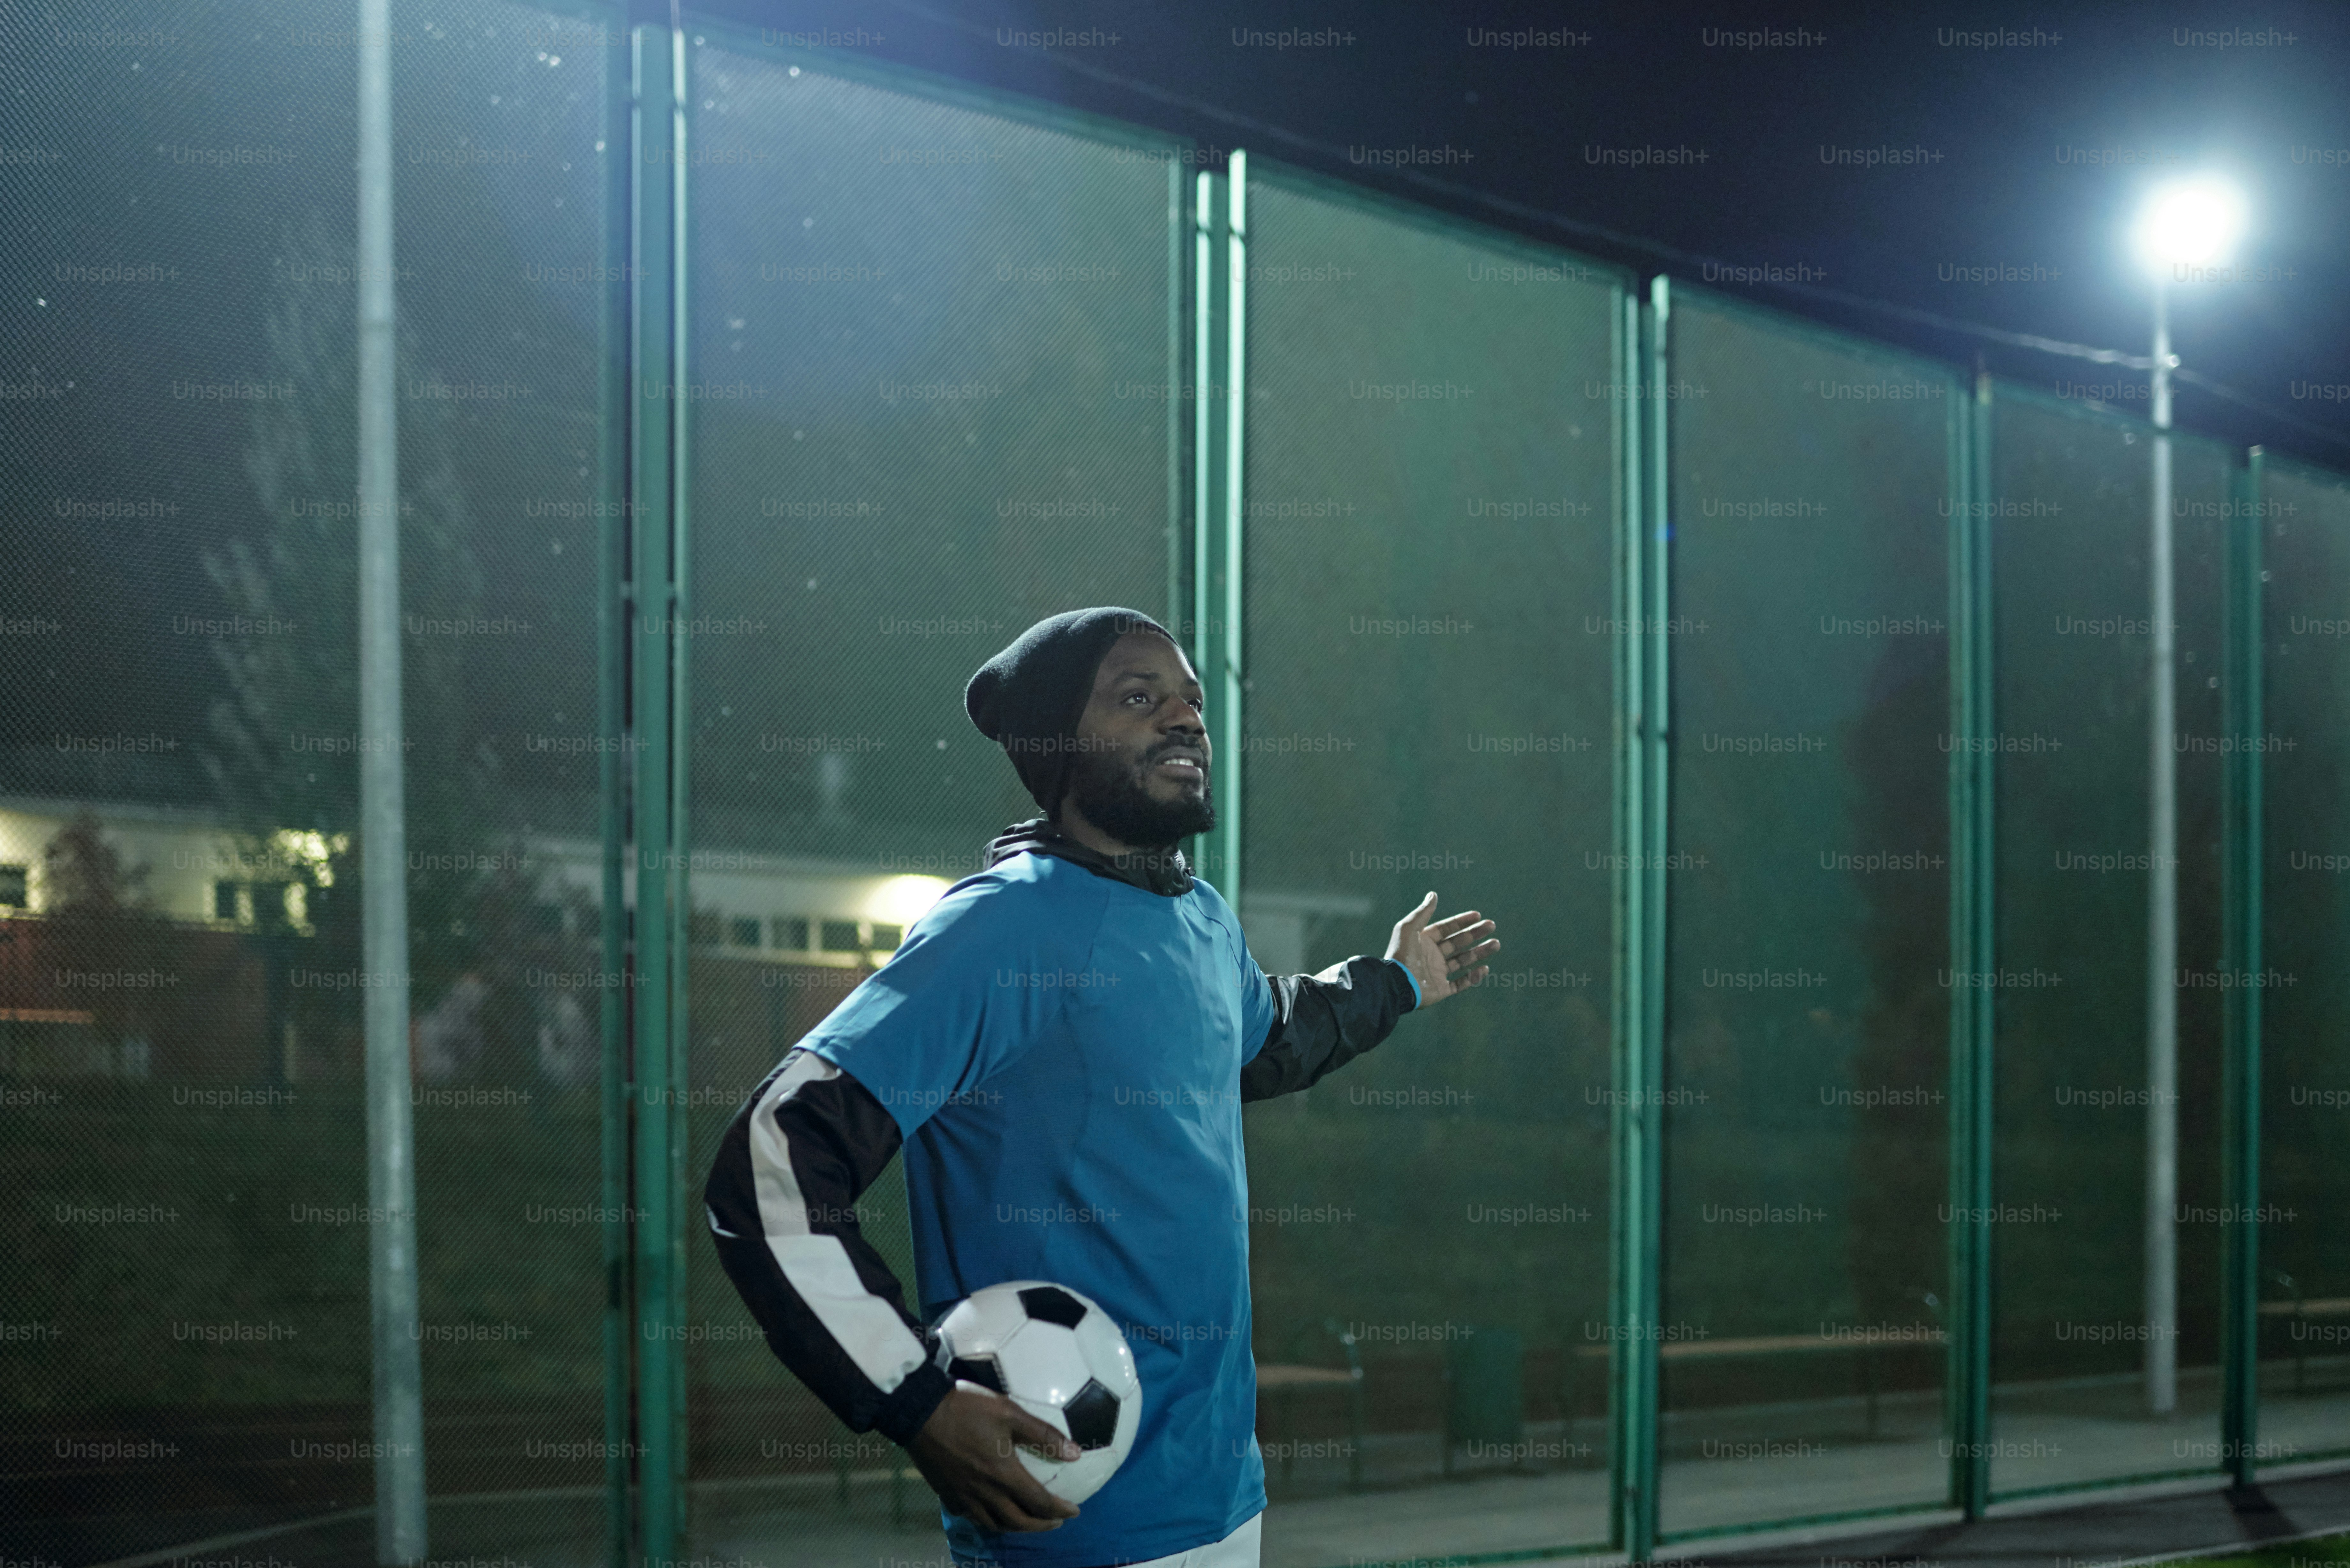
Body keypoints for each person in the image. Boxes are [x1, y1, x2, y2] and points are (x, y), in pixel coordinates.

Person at [705, 607, 1497, 1568]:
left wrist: (1394, 981)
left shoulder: (1196, 918)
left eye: (1193, 702)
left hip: (1224, 1497)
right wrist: (913, 1400)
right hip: (1075, 1520)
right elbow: (774, 1158)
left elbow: (1264, 1040)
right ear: (1056, 745)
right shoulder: (1005, 930)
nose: (1185, 720)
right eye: (1138, 698)